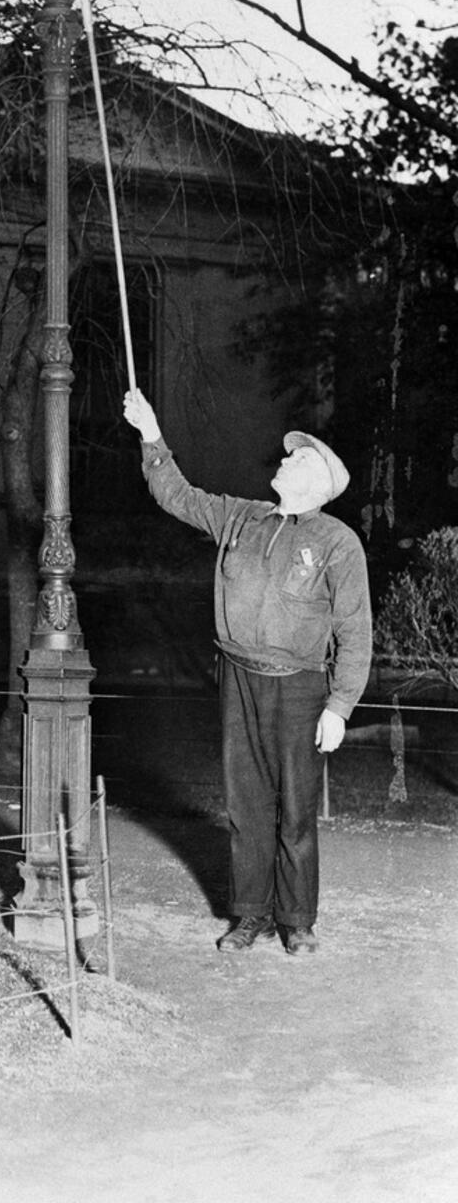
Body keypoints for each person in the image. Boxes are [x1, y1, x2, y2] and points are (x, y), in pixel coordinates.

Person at [122, 388, 372, 955]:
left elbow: (355, 632)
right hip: (238, 677)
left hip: (301, 686)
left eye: (295, 458)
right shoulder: (241, 516)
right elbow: (178, 497)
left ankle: (298, 920)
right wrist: (151, 435)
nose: (282, 461)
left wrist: (340, 706)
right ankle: (251, 915)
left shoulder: (338, 542)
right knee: (245, 804)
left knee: (295, 808)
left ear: (316, 480)